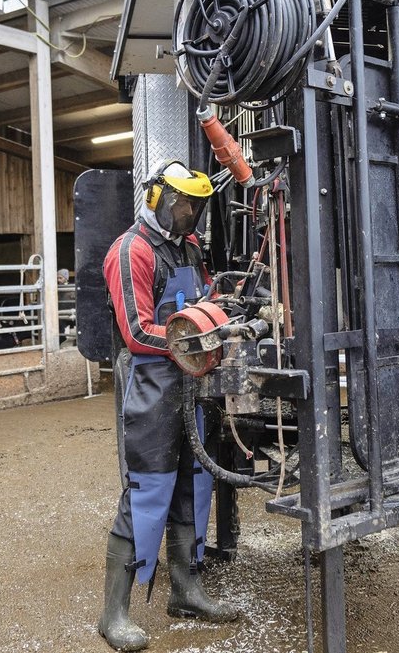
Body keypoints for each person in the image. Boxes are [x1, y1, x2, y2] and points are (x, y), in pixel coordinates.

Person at [98, 160, 238, 651]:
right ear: (157, 199)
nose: (189, 215)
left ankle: (186, 590)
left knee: (193, 488)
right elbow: (137, 331)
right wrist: (202, 337)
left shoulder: (190, 247)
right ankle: (114, 613)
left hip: (192, 386)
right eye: (182, 204)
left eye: (196, 206)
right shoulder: (130, 251)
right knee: (147, 493)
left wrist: (224, 306)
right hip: (153, 386)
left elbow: (202, 297)